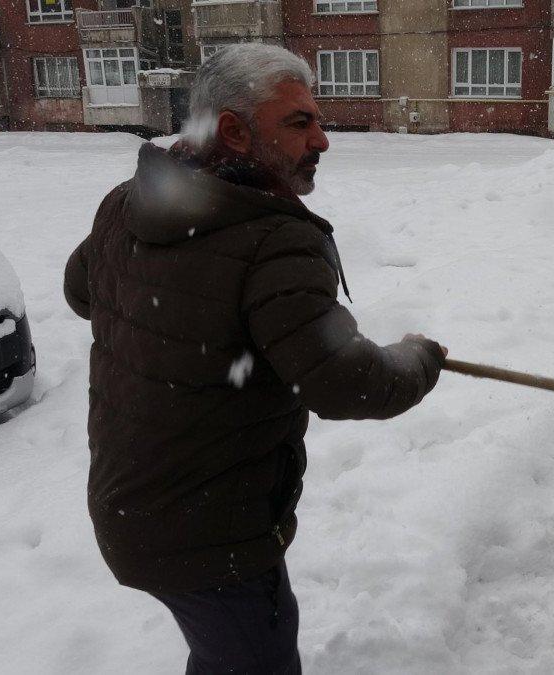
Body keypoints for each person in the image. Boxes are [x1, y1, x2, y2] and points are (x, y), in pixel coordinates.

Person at [62, 43, 446, 673]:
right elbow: (345, 382)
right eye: (299, 123)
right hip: (213, 538)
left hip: (132, 507)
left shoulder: (129, 202)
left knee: (224, 656)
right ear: (234, 132)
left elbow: (82, 292)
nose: (322, 140)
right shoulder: (275, 239)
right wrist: (418, 358)